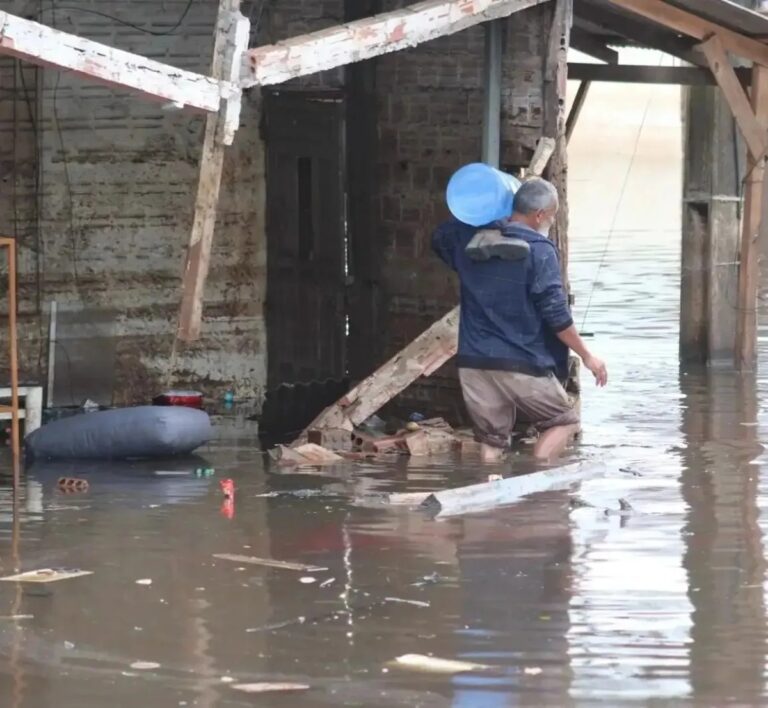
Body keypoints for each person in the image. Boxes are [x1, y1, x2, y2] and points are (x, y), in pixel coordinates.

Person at [432, 177, 607, 462]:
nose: (550, 221)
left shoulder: (470, 244)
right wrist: (587, 355)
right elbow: (556, 314)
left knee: (492, 440)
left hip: (474, 362)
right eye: (551, 216)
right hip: (521, 363)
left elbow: (439, 238)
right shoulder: (540, 251)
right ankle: (537, 481)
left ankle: (490, 491)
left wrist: (482, 215)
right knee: (564, 421)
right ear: (540, 215)